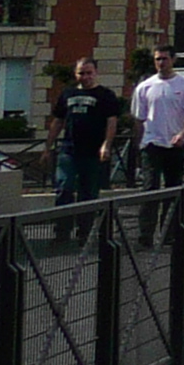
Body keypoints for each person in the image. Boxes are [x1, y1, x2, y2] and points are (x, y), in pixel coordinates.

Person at [130, 47, 184, 244]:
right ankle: (145, 234)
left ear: (173, 59)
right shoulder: (145, 87)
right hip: (152, 143)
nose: (161, 63)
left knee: (173, 189)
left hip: (176, 145)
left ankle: (170, 233)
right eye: (157, 59)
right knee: (150, 188)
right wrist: (139, 145)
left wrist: (182, 134)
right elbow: (139, 119)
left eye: (164, 59)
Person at [50, 57, 121, 242]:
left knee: (88, 193)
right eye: (82, 73)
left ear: (96, 73)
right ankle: (61, 232)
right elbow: (58, 121)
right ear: (76, 74)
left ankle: (84, 232)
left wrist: (107, 144)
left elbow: (112, 121)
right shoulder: (67, 94)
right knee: (64, 188)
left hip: (93, 151)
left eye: (89, 73)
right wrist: (48, 146)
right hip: (69, 150)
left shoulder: (105, 95)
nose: (86, 77)